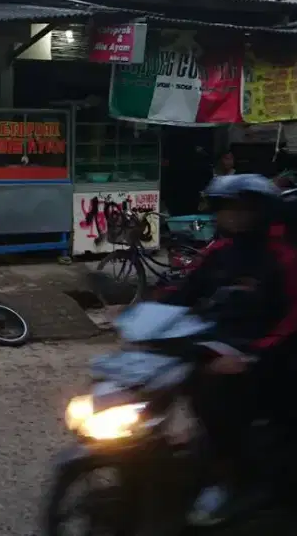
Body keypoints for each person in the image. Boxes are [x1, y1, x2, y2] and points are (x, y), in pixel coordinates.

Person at [156, 174, 297, 526]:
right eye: (223, 208)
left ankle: (234, 480)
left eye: (237, 209)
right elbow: (186, 290)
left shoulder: (283, 257)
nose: (227, 217)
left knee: (219, 399)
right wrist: (146, 313)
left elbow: (292, 318)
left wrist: (254, 355)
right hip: (217, 345)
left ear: (259, 212)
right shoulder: (220, 251)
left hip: (269, 356)